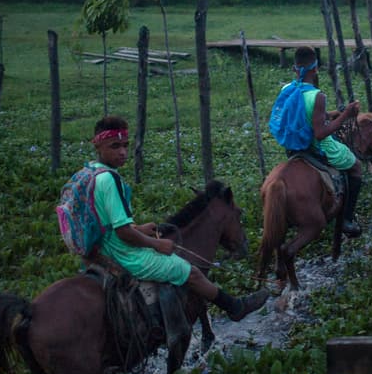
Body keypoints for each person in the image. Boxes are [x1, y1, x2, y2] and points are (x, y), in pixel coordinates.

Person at [86, 116, 268, 321]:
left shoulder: (92, 172)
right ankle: (235, 307)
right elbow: (122, 232)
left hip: (103, 247)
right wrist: (156, 244)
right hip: (121, 252)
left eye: (125, 145)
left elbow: (108, 222)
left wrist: (138, 228)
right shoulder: (110, 180)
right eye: (114, 146)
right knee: (191, 272)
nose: (122, 152)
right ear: (98, 145)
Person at [276, 46, 365, 237]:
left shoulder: (287, 89)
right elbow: (320, 132)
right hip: (316, 147)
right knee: (356, 167)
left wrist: (335, 114)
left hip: (293, 147)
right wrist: (347, 115)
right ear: (316, 69)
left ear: (294, 69)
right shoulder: (318, 96)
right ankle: (347, 219)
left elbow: (311, 116)